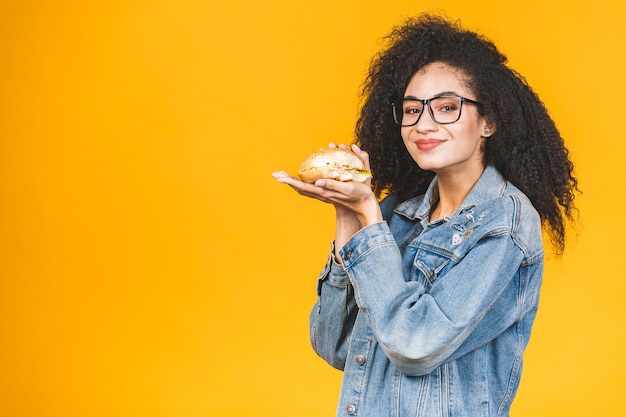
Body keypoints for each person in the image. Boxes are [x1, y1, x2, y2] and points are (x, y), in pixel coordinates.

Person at [272, 13, 577, 417]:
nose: (423, 124)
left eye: (446, 107)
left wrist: (367, 214)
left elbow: (414, 346)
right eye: (412, 110)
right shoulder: (396, 216)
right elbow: (337, 346)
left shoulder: (503, 222)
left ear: (488, 121)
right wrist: (348, 216)